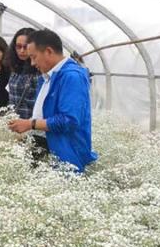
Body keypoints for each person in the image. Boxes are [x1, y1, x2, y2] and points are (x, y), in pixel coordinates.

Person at [7, 29, 98, 172]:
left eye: (34, 57)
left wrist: (30, 124)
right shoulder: (47, 77)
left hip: (67, 155)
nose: (32, 63)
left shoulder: (71, 77)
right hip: (47, 148)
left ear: (48, 51)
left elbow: (69, 120)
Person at [8, 28, 40, 119]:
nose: (22, 51)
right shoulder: (16, 67)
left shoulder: (38, 71)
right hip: (15, 122)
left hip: (31, 124)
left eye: (25, 47)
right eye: (18, 46)